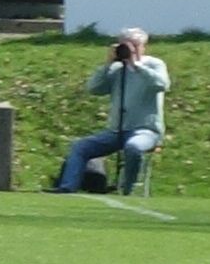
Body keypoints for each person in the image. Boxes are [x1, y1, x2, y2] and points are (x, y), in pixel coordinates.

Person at [44, 28, 168, 195]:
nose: (130, 49)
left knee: (133, 147)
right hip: (116, 131)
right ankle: (67, 187)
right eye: (126, 45)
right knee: (80, 147)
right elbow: (94, 88)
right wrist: (108, 64)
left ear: (143, 46)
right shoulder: (117, 69)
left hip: (146, 130)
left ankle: (128, 190)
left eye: (135, 45)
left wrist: (137, 66)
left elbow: (162, 85)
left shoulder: (154, 64)